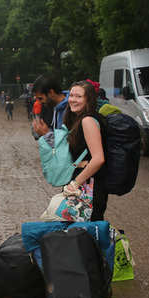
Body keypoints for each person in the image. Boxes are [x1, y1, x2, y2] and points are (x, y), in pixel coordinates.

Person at [62, 81, 109, 221]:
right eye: (71, 95)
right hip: (85, 182)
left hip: (88, 185)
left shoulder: (87, 120)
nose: (73, 100)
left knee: (85, 233)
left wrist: (75, 183)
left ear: (88, 99)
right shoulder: (80, 119)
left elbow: (98, 158)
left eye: (78, 96)